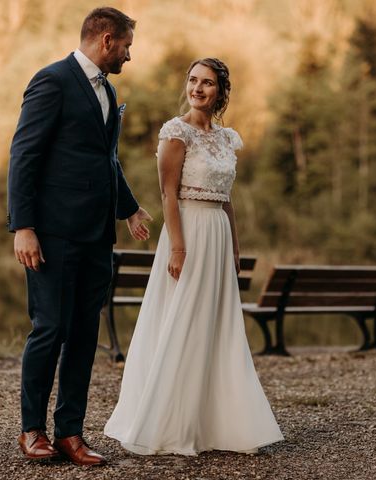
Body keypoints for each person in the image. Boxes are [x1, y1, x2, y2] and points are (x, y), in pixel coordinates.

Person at [104, 58, 283, 455]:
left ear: (220, 92)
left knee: (215, 324)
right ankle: (169, 420)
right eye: (192, 81)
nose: (198, 88)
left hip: (218, 233)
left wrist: (235, 247)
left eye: (207, 83)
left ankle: (218, 422)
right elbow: (168, 193)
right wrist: (179, 248)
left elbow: (227, 199)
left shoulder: (226, 138)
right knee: (182, 318)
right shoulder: (175, 132)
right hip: (188, 230)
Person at [7, 7, 152, 466]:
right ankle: (32, 430)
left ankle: (70, 432)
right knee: (49, 328)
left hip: (95, 237)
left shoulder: (107, 90)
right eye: (126, 46)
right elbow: (23, 155)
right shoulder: (52, 81)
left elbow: (104, 160)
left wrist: (128, 208)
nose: (129, 55)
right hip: (51, 234)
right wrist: (23, 226)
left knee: (85, 335)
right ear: (107, 39)